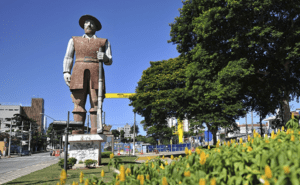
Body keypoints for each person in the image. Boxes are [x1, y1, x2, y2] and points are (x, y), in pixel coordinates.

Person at [63, 15, 113, 134]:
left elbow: (110, 60)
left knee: (96, 101)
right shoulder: (74, 40)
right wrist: (66, 71)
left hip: (96, 72)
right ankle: (77, 129)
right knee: (78, 101)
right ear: (83, 26)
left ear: (96, 27)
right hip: (78, 71)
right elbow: (68, 57)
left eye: (92, 23)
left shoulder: (103, 41)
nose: (89, 25)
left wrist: (105, 57)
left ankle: (95, 129)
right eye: (86, 23)